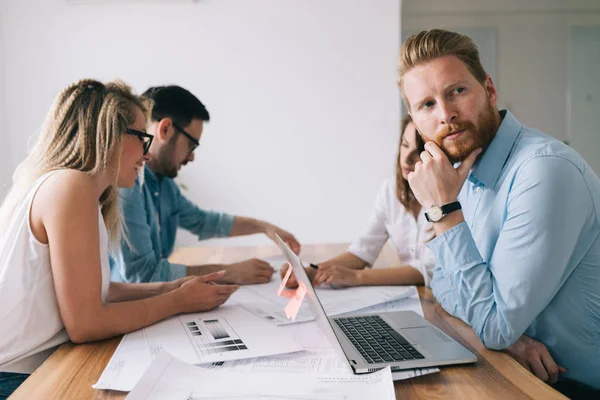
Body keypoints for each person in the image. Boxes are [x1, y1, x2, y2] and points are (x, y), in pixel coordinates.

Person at [0, 80, 239, 399]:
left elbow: (99, 291)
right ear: (108, 135)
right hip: (18, 377)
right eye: (142, 137)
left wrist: (171, 288)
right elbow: (85, 324)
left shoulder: (80, 192)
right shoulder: (71, 187)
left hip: (41, 366)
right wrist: (178, 302)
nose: (146, 151)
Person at [398, 29, 600, 394]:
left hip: (572, 387)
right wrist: (510, 337)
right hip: (515, 367)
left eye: (456, 91)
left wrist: (443, 211)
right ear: (414, 120)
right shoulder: (467, 172)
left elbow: (493, 326)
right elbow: (444, 283)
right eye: (427, 105)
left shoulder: (542, 170)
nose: (446, 115)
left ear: (488, 90)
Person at [110, 85, 301, 286]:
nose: (192, 157)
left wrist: (265, 228)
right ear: (165, 130)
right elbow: (142, 275)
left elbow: (202, 221)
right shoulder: (127, 185)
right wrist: (228, 272)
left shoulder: (165, 186)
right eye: (191, 145)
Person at [281, 115, 436, 288]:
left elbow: (431, 269)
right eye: (405, 145)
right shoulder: (390, 190)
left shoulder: (451, 197)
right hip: (418, 296)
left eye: (419, 152)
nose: (406, 158)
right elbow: (363, 250)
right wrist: (312, 270)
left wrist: (357, 277)